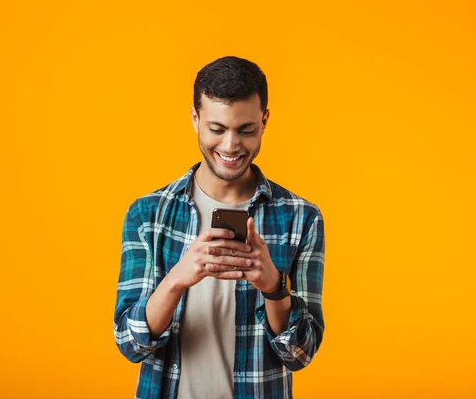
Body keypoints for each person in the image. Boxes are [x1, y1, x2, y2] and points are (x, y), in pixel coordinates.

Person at [113, 55, 325, 399]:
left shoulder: (301, 218)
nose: (230, 146)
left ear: (265, 120)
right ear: (195, 118)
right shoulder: (148, 214)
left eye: (246, 130)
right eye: (216, 129)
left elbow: (300, 353)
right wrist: (178, 278)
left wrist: (272, 286)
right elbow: (130, 343)